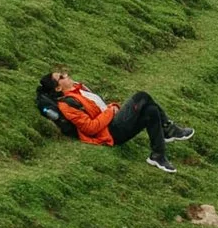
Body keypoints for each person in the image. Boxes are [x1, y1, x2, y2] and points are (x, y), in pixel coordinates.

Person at [36, 70, 193, 173]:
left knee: (151, 111)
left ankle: (158, 155)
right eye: (61, 77)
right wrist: (111, 110)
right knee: (142, 96)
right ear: (57, 89)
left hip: (112, 122)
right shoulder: (67, 105)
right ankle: (168, 129)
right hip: (110, 132)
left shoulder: (79, 87)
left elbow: (100, 106)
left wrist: (112, 108)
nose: (66, 74)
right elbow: (90, 128)